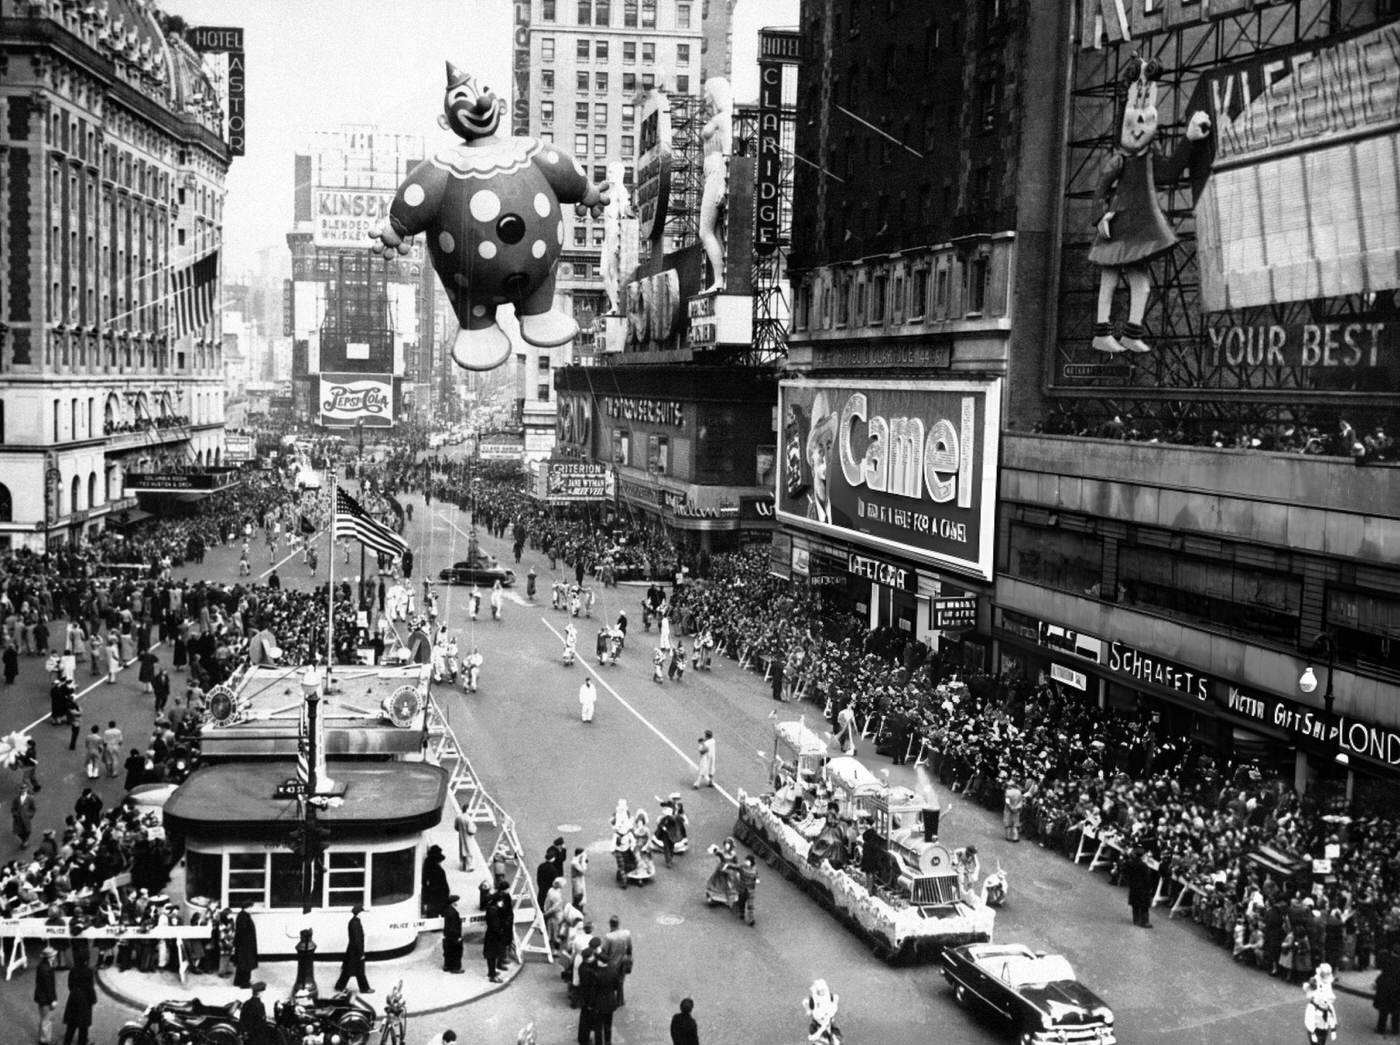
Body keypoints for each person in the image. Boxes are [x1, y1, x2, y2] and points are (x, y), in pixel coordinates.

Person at [334, 905, 371, 993]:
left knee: (349, 970)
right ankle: (365, 988)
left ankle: (339, 986)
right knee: (358, 971)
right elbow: (357, 940)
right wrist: (361, 953)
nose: (363, 914)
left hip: (352, 951)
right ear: (359, 913)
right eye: (362, 912)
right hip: (355, 952)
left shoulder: (354, 922)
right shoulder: (355, 923)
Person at [484, 880, 514, 983]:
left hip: (494, 935)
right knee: (492, 955)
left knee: (494, 954)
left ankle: (493, 971)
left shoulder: (494, 908)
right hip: (494, 936)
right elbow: (495, 925)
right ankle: (492, 975)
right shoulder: (493, 910)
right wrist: (501, 931)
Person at [61, 956, 96, 1045]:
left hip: (74, 997)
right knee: (83, 1025)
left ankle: (67, 1042)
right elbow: (90, 987)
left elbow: (70, 985)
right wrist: (93, 999)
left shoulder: (73, 970)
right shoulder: (88, 971)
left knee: (71, 1023)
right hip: (85, 1000)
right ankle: (82, 1042)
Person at [601, 913, 633, 1007]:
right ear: (618, 924)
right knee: (621, 981)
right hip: (623, 962)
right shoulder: (626, 933)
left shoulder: (609, 937)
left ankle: (610, 1001)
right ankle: (620, 1000)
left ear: (610, 924)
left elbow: (604, 951)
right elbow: (630, 948)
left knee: (610, 982)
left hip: (612, 963)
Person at [1305, 964, 1339, 1044]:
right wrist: (1312, 1033)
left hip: (1324, 1026)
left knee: (1322, 1040)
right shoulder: (1316, 981)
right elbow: (1309, 1019)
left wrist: (1333, 1029)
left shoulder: (1327, 982)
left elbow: (1331, 1015)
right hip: (1316, 1024)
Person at [1124, 846, 1155, 928]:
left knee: (1135, 904)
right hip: (1143, 888)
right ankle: (1144, 921)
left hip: (1133, 885)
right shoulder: (1144, 866)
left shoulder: (1130, 862)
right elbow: (1147, 878)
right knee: (1144, 905)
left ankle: (1136, 919)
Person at [804, 978, 841, 1045]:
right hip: (817, 1025)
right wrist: (808, 1010)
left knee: (836, 1042)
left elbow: (836, 997)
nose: (821, 992)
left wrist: (817, 1035)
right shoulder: (814, 1000)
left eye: (822, 990)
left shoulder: (829, 998)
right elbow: (805, 1002)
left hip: (829, 1025)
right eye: (819, 991)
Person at [705, 838, 740, 909]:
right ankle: (715, 898)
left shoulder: (733, 854)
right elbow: (716, 852)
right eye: (725, 845)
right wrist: (713, 849)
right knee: (718, 884)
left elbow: (736, 864)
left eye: (728, 845)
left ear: (731, 846)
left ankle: (729, 900)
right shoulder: (722, 852)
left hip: (730, 873)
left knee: (730, 886)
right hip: (721, 871)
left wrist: (731, 866)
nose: (726, 846)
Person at [232, 899, 258, 987]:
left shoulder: (242, 915)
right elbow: (243, 932)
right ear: (247, 907)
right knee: (246, 964)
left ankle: (238, 981)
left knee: (241, 964)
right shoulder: (244, 917)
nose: (252, 909)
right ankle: (244, 982)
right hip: (245, 945)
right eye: (251, 907)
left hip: (243, 945)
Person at [35, 945, 58, 1045]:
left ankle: (44, 1038)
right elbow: (48, 987)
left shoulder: (42, 966)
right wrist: (53, 1000)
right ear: (49, 957)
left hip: (40, 997)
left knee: (44, 1019)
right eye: (53, 956)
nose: (54, 957)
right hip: (45, 999)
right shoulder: (47, 969)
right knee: (46, 1020)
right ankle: (45, 1041)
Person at [1377, 945, 1400, 1035]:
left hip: (1385, 988)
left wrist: (1377, 983)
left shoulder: (1387, 960)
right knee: (1396, 1011)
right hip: (1397, 989)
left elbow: (1383, 973)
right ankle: (1395, 1029)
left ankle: (1381, 1028)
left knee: (1383, 1010)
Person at [422, 844, 450, 916]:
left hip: (431, 893)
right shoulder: (438, 870)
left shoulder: (427, 864)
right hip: (438, 894)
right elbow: (443, 885)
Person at [293, 927, 318, 998]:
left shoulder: (307, 945)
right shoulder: (305, 946)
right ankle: (303, 984)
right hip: (303, 983)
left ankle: (303, 984)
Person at [443, 894, 464, 973]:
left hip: (448, 935)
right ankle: (455, 968)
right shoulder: (453, 913)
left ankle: (447, 966)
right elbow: (454, 926)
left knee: (448, 951)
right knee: (456, 952)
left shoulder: (448, 910)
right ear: (453, 903)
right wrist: (458, 937)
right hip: (454, 936)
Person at [737, 855, 760, 926]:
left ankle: (751, 919)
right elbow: (736, 868)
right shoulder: (742, 867)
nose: (746, 862)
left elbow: (757, 876)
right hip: (742, 888)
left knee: (750, 905)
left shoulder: (754, 869)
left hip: (750, 890)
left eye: (748, 861)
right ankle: (741, 912)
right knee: (741, 902)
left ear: (751, 862)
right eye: (746, 861)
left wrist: (757, 879)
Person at [12, 781, 35, 848]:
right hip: (18, 818)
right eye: (21, 790)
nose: (23, 791)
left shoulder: (30, 799)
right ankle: (24, 840)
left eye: (24, 790)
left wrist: (29, 815)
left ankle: (25, 840)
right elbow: (13, 808)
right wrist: (15, 814)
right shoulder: (16, 799)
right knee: (18, 831)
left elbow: (33, 808)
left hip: (26, 818)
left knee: (27, 830)